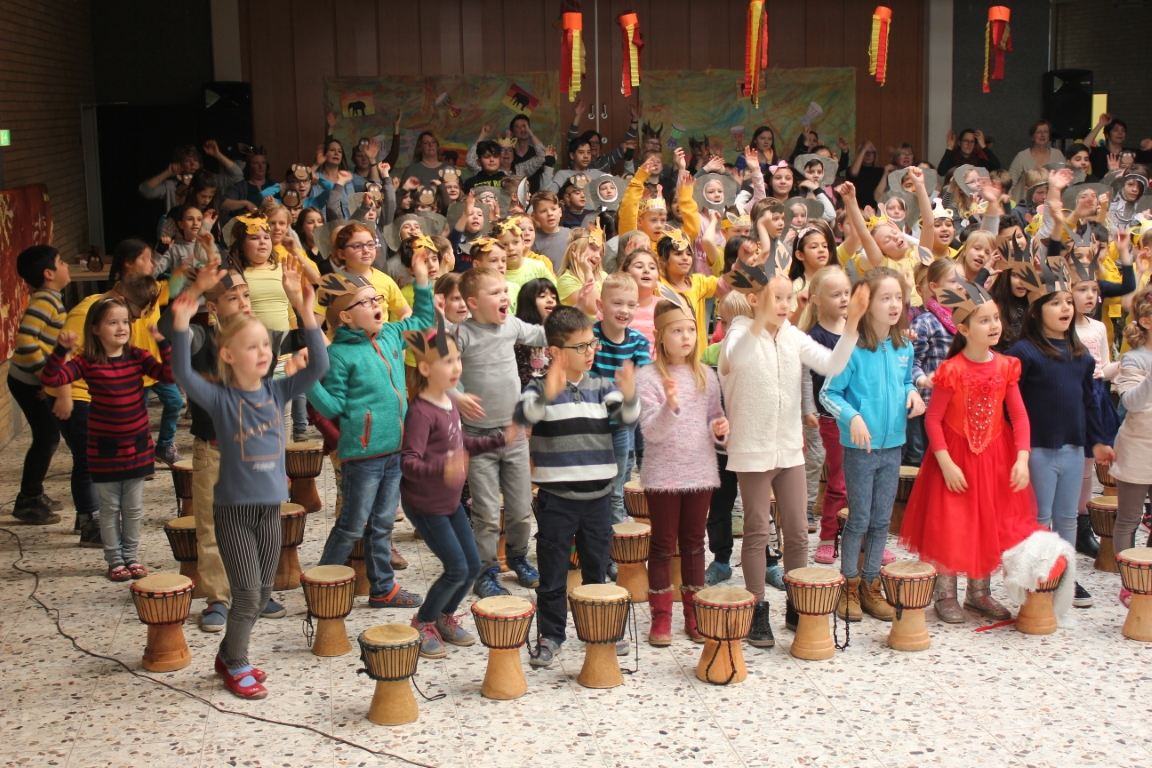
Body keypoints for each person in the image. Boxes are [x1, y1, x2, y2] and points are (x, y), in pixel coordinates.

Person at [169, 264, 329, 700]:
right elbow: (183, 374)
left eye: (264, 345)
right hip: (235, 514)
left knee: (262, 591)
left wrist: (306, 312)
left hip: (269, 510)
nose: (262, 352)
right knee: (245, 594)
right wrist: (181, 325)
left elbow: (319, 365)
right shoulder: (220, 398)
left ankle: (228, 655)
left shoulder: (276, 392)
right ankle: (236, 662)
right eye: (251, 346)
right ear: (227, 356)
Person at [718, 246, 867, 647]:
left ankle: (798, 605)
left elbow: (832, 364)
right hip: (752, 447)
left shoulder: (791, 334)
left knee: (799, 531)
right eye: (776, 298)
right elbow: (734, 359)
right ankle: (756, 608)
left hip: (788, 447)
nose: (785, 305)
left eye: (788, 298)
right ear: (754, 300)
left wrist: (853, 324)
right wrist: (758, 322)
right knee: (756, 530)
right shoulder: (738, 331)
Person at [157, 262, 294, 631]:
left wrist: (300, 300)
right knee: (212, 526)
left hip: (259, 453)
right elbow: (169, 328)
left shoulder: (263, 337)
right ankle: (219, 598)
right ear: (214, 307)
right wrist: (193, 290)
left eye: (246, 295)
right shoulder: (202, 339)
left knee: (261, 526)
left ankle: (256, 592)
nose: (244, 302)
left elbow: (309, 340)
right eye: (233, 298)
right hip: (215, 451)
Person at [899, 280, 1043, 623]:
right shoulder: (951, 370)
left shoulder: (1006, 366)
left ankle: (979, 593)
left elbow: (1019, 415)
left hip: (995, 458)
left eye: (996, 318)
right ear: (963, 329)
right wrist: (946, 463)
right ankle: (945, 594)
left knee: (987, 521)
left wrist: (1022, 457)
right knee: (952, 522)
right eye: (984, 320)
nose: (994, 325)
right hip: (953, 459)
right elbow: (933, 420)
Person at [308, 248, 436, 608]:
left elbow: (423, 320)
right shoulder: (339, 354)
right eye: (366, 302)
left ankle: (383, 589)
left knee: (383, 524)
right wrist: (308, 382)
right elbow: (332, 407)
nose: (377, 304)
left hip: (395, 450)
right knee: (352, 525)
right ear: (346, 316)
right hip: (363, 456)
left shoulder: (392, 334)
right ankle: (322, 587)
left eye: (377, 298)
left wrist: (421, 279)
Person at [515, 306, 639, 667]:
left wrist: (630, 395)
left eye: (592, 344)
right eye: (580, 346)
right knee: (553, 574)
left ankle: (601, 631)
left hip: (598, 499)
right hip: (557, 500)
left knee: (596, 571)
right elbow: (524, 415)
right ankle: (552, 635)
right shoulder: (538, 388)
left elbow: (625, 418)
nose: (590, 352)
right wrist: (548, 390)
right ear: (555, 352)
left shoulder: (601, 387)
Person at [1007, 244, 1115, 609]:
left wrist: (1098, 440)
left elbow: (1089, 402)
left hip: (1072, 449)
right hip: (1037, 449)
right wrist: (1016, 450)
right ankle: (1038, 575)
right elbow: (1011, 405)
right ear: (1037, 310)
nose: (1066, 308)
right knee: (1038, 517)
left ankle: (1066, 576)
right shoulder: (1023, 353)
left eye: (1069, 302)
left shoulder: (1082, 356)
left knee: (1067, 517)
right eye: (1056, 302)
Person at [400, 317, 515, 657]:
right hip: (425, 505)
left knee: (472, 565)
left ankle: (445, 616)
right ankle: (423, 621)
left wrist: (499, 439)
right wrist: (443, 468)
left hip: (449, 503)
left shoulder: (450, 402)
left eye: (457, 359)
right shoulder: (421, 412)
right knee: (456, 568)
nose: (456, 367)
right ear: (425, 368)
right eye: (446, 361)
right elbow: (408, 462)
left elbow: (460, 443)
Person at [41, 294, 174, 581]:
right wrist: (61, 350)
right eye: (112, 322)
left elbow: (169, 375)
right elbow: (51, 378)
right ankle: (114, 560)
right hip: (104, 449)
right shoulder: (87, 361)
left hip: (137, 446)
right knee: (110, 508)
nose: (121, 327)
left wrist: (163, 343)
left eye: (125, 321)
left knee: (133, 508)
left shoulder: (138, 356)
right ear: (95, 329)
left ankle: (132, 556)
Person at [821, 268, 925, 622]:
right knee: (859, 519)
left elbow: (905, 380)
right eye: (885, 298)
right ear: (866, 304)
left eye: (898, 298)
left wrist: (912, 393)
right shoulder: (851, 348)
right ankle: (848, 586)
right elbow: (828, 394)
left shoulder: (903, 346)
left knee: (882, 521)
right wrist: (853, 417)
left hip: (893, 446)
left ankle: (870, 585)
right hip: (859, 450)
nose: (894, 305)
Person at [637, 299, 727, 645]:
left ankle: (693, 615)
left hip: (700, 471)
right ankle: (661, 618)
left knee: (693, 543)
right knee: (662, 544)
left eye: (691, 329)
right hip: (663, 475)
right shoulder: (648, 377)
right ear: (660, 336)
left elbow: (714, 419)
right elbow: (651, 432)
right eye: (677, 330)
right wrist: (669, 408)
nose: (686, 336)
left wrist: (720, 429)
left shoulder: (706, 375)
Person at [452, 267, 546, 597]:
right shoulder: (461, 333)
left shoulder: (512, 325)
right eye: (495, 293)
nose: (504, 296)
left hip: (514, 434)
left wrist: (581, 316)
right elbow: (437, 371)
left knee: (521, 508)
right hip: (478, 438)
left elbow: (543, 335)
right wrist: (455, 395)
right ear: (473, 303)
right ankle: (486, 569)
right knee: (488, 513)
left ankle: (518, 557)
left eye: (505, 290)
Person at [9, 245, 69, 524]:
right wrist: (46, 377)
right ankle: (28, 501)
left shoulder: (50, 298)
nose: (66, 266)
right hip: (27, 381)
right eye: (61, 262)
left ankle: (34, 493)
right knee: (47, 437)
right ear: (49, 273)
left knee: (47, 436)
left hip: (31, 379)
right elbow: (25, 341)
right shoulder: (45, 301)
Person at [592, 273, 653, 527]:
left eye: (630, 304)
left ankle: (614, 544)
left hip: (620, 424)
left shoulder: (639, 342)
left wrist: (631, 386)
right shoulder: (588, 337)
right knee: (593, 485)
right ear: (600, 305)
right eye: (617, 303)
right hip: (591, 424)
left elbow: (644, 382)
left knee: (616, 488)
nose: (624, 310)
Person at [803, 267, 851, 565]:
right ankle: (828, 536)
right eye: (835, 294)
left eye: (847, 292)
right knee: (840, 479)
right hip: (831, 418)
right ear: (817, 299)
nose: (844, 298)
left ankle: (860, 537)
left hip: (861, 417)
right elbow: (807, 377)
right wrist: (808, 408)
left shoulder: (858, 330)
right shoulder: (814, 336)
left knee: (861, 481)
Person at [1111, 286, 1152, 607]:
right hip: (1137, 448)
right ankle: (1129, 583)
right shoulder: (1133, 358)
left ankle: (1148, 577)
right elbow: (1132, 403)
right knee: (1129, 518)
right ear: (1146, 321)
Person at [140, 141, 242, 211]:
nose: (193, 164)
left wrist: (217, 154)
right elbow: (145, 190)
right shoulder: (171, 185)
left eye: (195, 160)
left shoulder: (209, 181)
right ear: (179, 164)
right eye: (187, 161)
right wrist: (167, 173)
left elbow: (237, 175)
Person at [514, 278, 558, 389]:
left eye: (554, 297)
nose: (550, 300)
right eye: (542, 296)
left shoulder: (560, 333)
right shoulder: (517, 335)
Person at [1007, 121, 1065, 201]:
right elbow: (1010, 182)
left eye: (1046, 132)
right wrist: (1007, 201)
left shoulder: (1057, 155)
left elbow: (1065, 180)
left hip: (1050, 202)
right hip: (1024, 203)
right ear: (1032, 137)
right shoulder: (1022, 156)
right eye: (1038, 132)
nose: (1042, 135)